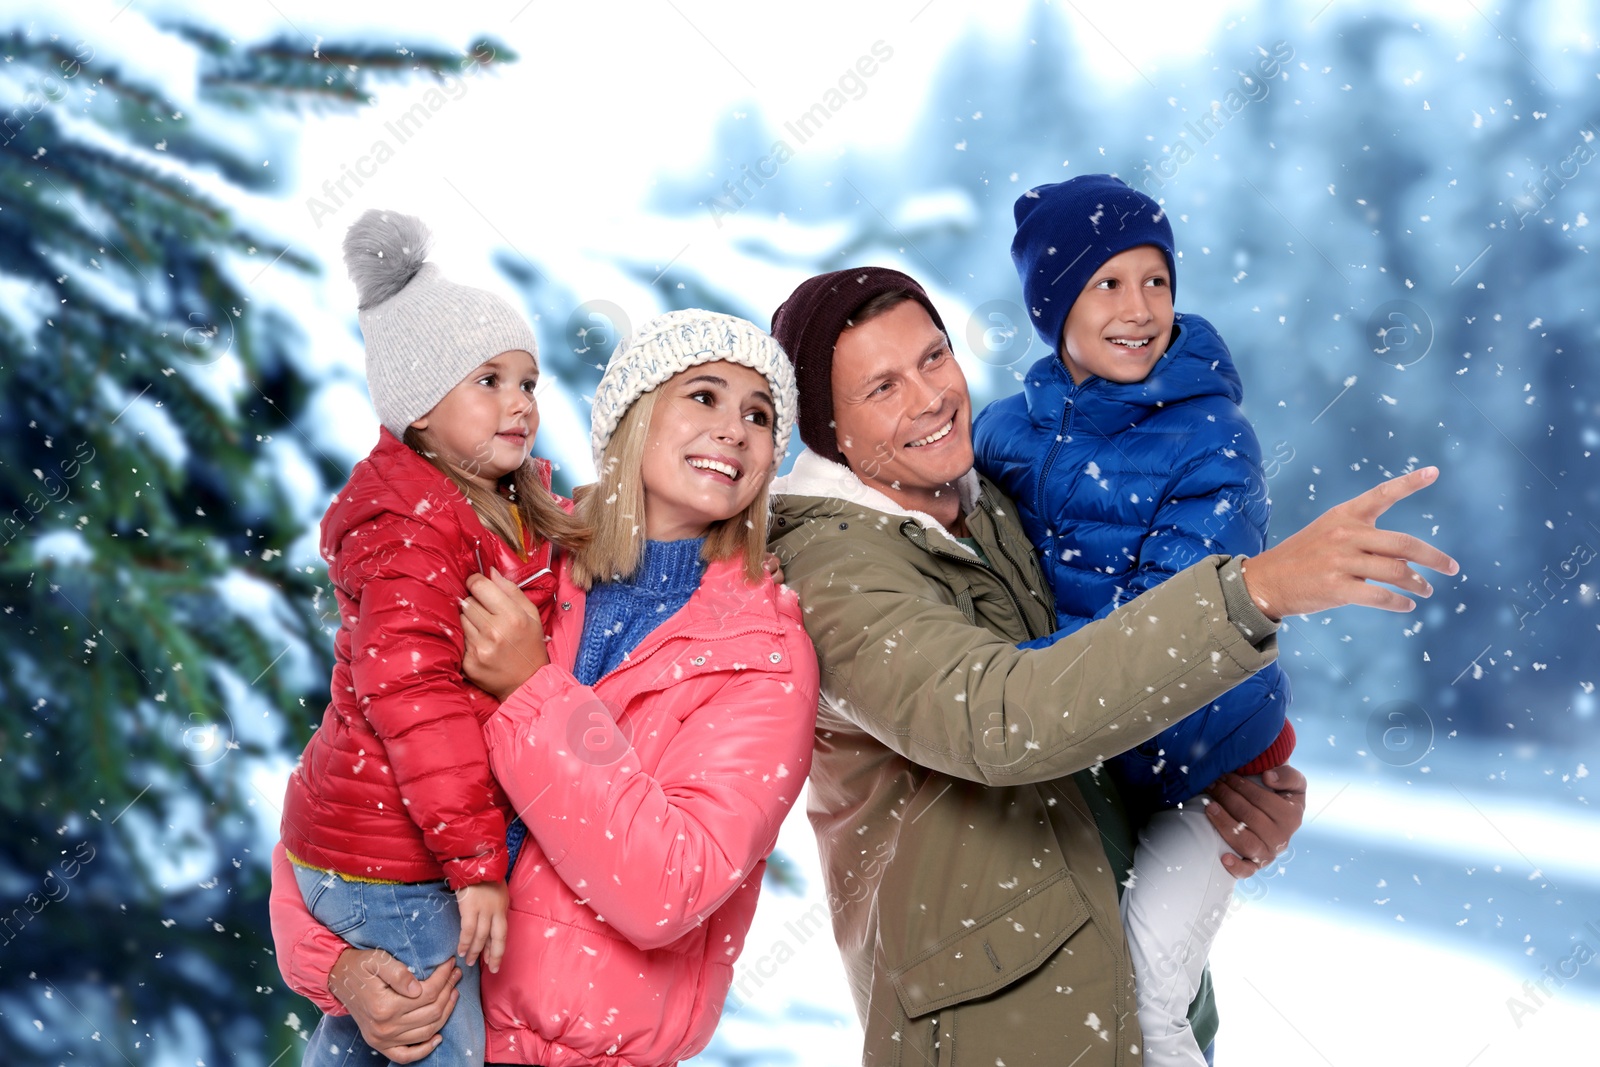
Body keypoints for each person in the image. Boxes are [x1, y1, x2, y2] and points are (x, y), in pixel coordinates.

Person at [766, 265, 1455, 1065]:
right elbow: (1000, 718)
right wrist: (1252, 591)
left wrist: (1225, 779)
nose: (929, 397)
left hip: (1125, 1003)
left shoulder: (985, 500)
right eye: (881, 387)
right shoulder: (830, 572)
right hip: (999, 1034)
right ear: (827, 430)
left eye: (933, 356)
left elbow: (1097, 675)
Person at [271, 309, 821, 1066]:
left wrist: (532, 686)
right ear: (632, 412)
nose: (736, 428)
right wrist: (336, 966)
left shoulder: (763, 657)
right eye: (705, 395)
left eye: (760, 415)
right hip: (420, 1030)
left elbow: (670, 886)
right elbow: (356, 774)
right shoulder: (510, 556)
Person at [973, 174, 1295, 1064]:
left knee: (1148, 989)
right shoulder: (1007, 432)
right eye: (1107, 283)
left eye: (1156, 280)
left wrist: (1016, 690)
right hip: (1102, 752)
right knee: (1085, 982)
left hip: (1213, 773)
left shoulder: (1208, 435)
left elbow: (1171, 622)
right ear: (1055, 304)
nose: (1140, 307)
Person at [279, 209, 587, 1065]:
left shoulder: (483, 501)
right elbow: (412, 699)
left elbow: (559, 537)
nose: (520, 402)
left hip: (373, 844)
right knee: (435, 1037)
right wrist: (475, 863)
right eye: (488, 379)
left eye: (528, 381)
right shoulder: (413, 531)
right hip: (395, 858)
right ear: (419, 406)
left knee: (368, 1045)